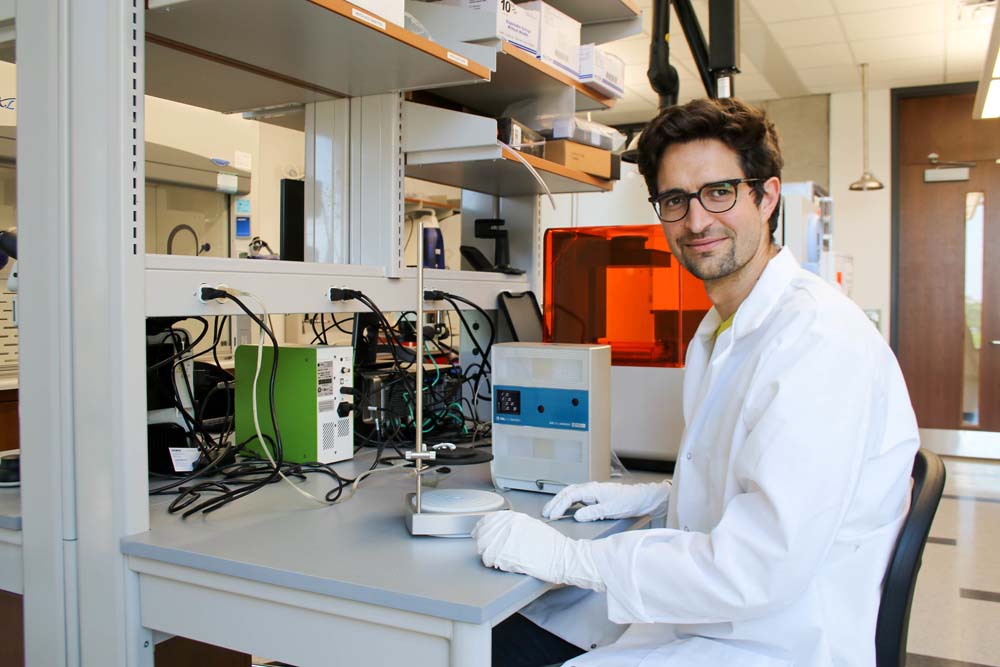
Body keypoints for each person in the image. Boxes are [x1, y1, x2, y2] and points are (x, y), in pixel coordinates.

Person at [476, 97, 920, 667]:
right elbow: (759, 483)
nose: (697, 221)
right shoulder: (724, 327)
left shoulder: (817, 343)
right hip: (712, 614)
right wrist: (661, 498)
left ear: (767, 196)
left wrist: (573, 561)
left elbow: (759, 568)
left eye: (720, 192)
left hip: (772, 640)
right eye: (675, 200)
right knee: (502, 636)